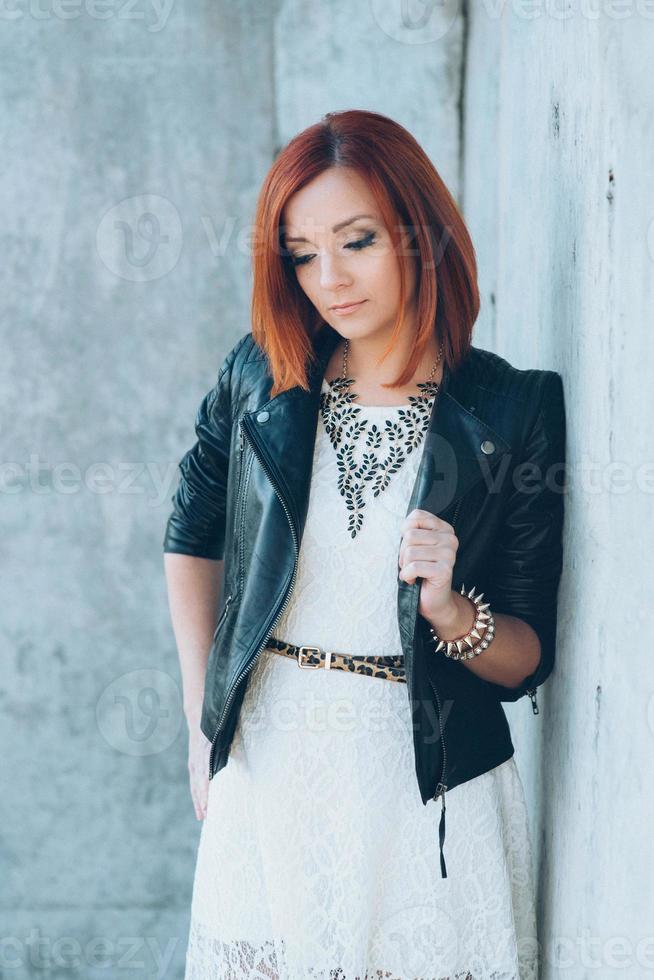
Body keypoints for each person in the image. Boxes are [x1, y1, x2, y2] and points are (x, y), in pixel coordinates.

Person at [163, 109, 566, 980]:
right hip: (270, 765)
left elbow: (528, 654)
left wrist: (451, 608)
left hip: (422, 787)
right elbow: (191, 531)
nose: (329, 279)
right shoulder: (261, 377)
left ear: (420, 232)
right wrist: (205, 725)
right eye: (303, 254)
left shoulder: (512, 409)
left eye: (356, 241)